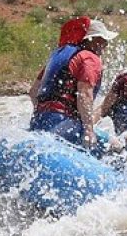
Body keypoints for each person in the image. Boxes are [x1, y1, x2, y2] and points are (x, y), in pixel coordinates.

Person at [29, 17, 118, 153]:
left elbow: (33, 91)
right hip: (63, 123)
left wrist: (46, 112)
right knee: (114, 145)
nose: (106, 44)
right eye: (103, 40)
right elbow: (84, 94)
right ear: (92, 40)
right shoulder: (90, 58)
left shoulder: (57, 56)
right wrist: (88, 130)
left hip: (39, 120)